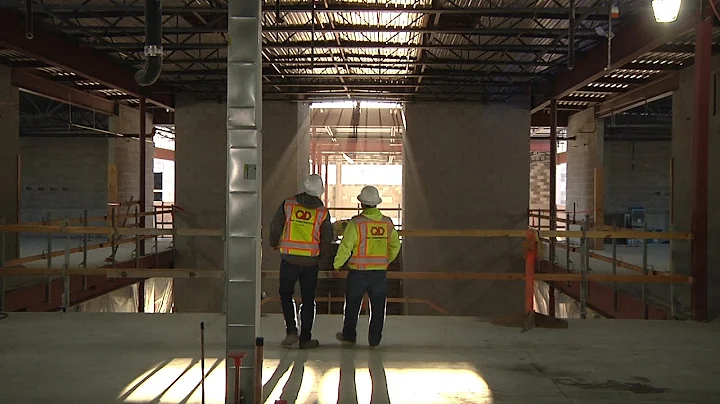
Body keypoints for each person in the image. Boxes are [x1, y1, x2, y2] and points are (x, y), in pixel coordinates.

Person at [269, 174, 333, 349]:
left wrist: (274, 243)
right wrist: (322, 258)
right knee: (308, 299)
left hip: (289, 260)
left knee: (286, 295)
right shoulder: (322, 212)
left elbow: (276, 226)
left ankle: (291, 331)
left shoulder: (288, 204)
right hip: (311, 263)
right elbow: (327, 239)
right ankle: (305, 338)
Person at [333, 186, 401, 348]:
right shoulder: (387, 223)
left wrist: (337, 265)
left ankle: (349, 336)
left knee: (352, 305)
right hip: (379, 273)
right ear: (376, 204)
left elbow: (345, 246)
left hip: (358, 272)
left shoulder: (356, 223)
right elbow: (395, 246)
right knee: (378, 307)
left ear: (362, 204)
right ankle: (374, 340)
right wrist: (386, 261)